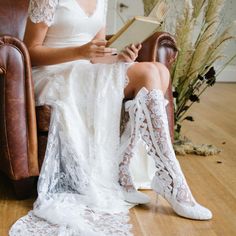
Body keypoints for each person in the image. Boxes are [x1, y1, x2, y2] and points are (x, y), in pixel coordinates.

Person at [9, 0, 212, 235]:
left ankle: (124, 172)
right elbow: (29, 52)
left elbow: (99, 54)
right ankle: (173, 181)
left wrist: (119, 56)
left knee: (160, 70)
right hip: (54, 75)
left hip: (89, 69)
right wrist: (80, 51)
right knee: (147, 72)